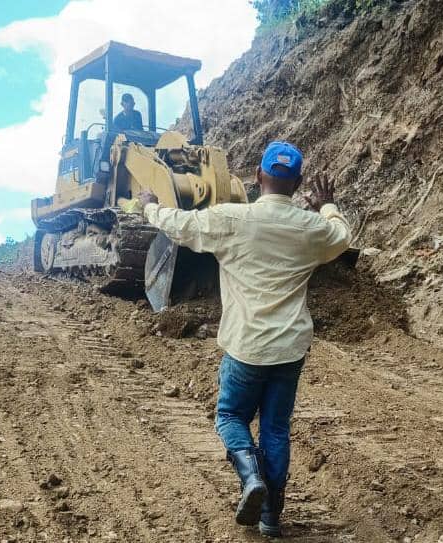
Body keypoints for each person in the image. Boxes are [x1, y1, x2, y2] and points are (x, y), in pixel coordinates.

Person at [138, 141, 351, 537]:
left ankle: (251, 477)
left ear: (257, 176)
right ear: (298, 183)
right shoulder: (311, 229)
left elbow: (180, 225)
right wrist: (326, 206)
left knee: (230, 416)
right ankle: (271, 517)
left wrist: (150, 206)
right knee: (276, 428)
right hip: (289, 348)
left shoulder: (231, 219)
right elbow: (342, 235)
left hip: (246, 346)